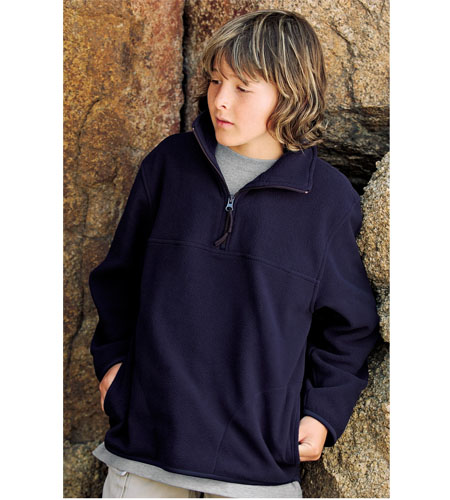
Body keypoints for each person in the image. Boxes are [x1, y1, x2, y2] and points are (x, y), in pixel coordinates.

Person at [88, 8, 381, 498]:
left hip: (256, 469)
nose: (221, 100)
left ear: (291, 94)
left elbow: (349, 325)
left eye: (243, 87)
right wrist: (114, 368)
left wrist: (323, 412)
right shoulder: (168, 167)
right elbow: (117, 279)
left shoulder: (329, 202)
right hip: (145, 454)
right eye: (215, 80)